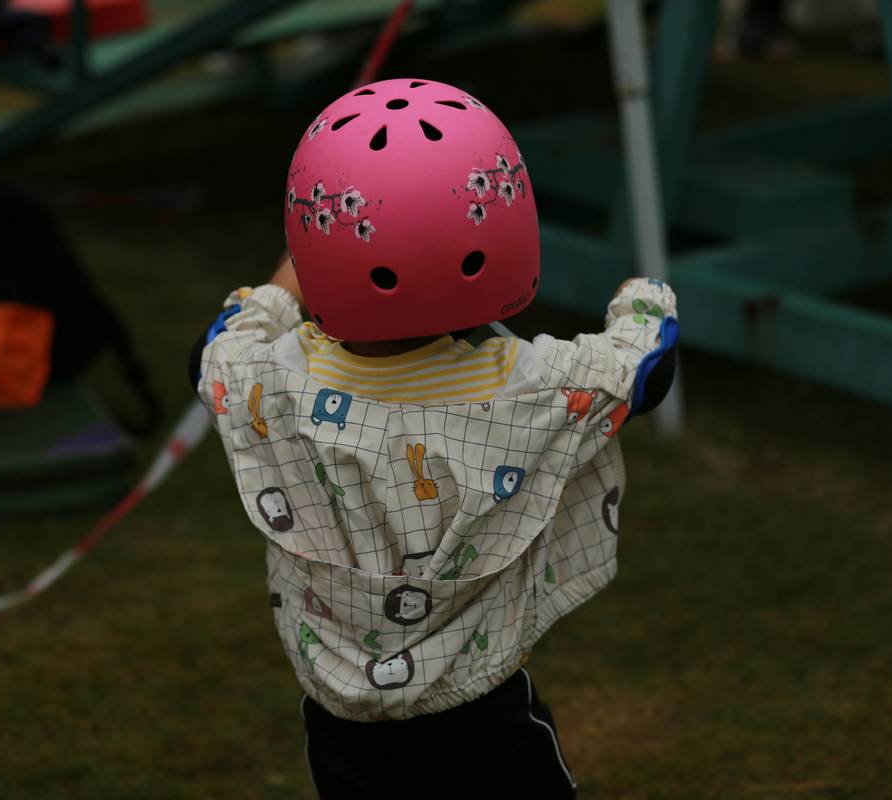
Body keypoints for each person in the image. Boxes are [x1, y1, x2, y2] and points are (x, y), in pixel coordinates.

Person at [191, 78, 678, 799]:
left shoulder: (263, 379)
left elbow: (225, 337)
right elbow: (647, 361)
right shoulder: (529, 386)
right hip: (479, 721)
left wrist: (291, 282)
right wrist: (643, 294)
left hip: (338, 720)